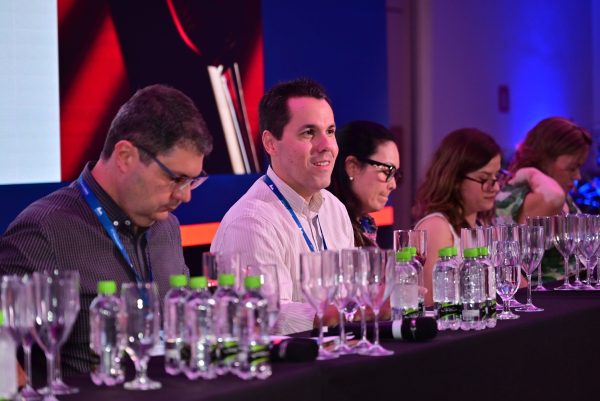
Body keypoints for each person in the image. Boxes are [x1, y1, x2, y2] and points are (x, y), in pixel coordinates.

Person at [0, 84, 213, 375]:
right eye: (176, 179)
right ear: (125, 156)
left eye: (192, 181)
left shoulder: (168, 228)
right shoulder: (44, 232)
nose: (185, 196)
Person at [210, 78, 354, 334]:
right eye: (309, 133)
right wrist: (334, 315)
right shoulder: (251, 223)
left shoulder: (334, 209)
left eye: (330, 131)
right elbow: (264, 317)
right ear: (270, 143)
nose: (326, 146)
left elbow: (349, 295)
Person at [412, 128, 503, 306]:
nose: (496, 187)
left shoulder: (482, 225)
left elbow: (518, 288)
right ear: (454, 179)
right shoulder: (437, 227)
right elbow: (433, 303)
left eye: (497, 177)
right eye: (484, 179)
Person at [495, 116, 592, 281]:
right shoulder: (532, 195)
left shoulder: (555, 192)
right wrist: (530, 172)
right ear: (546, 159)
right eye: (572, 168)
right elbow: (554, 197)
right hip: (545, 294)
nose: (578, 176)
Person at [328, 121, 400, 247]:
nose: (393, 185)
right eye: (387, 171)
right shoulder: (327, 224)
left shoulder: (364, 224)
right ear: (352, 167)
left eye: (395, 174)